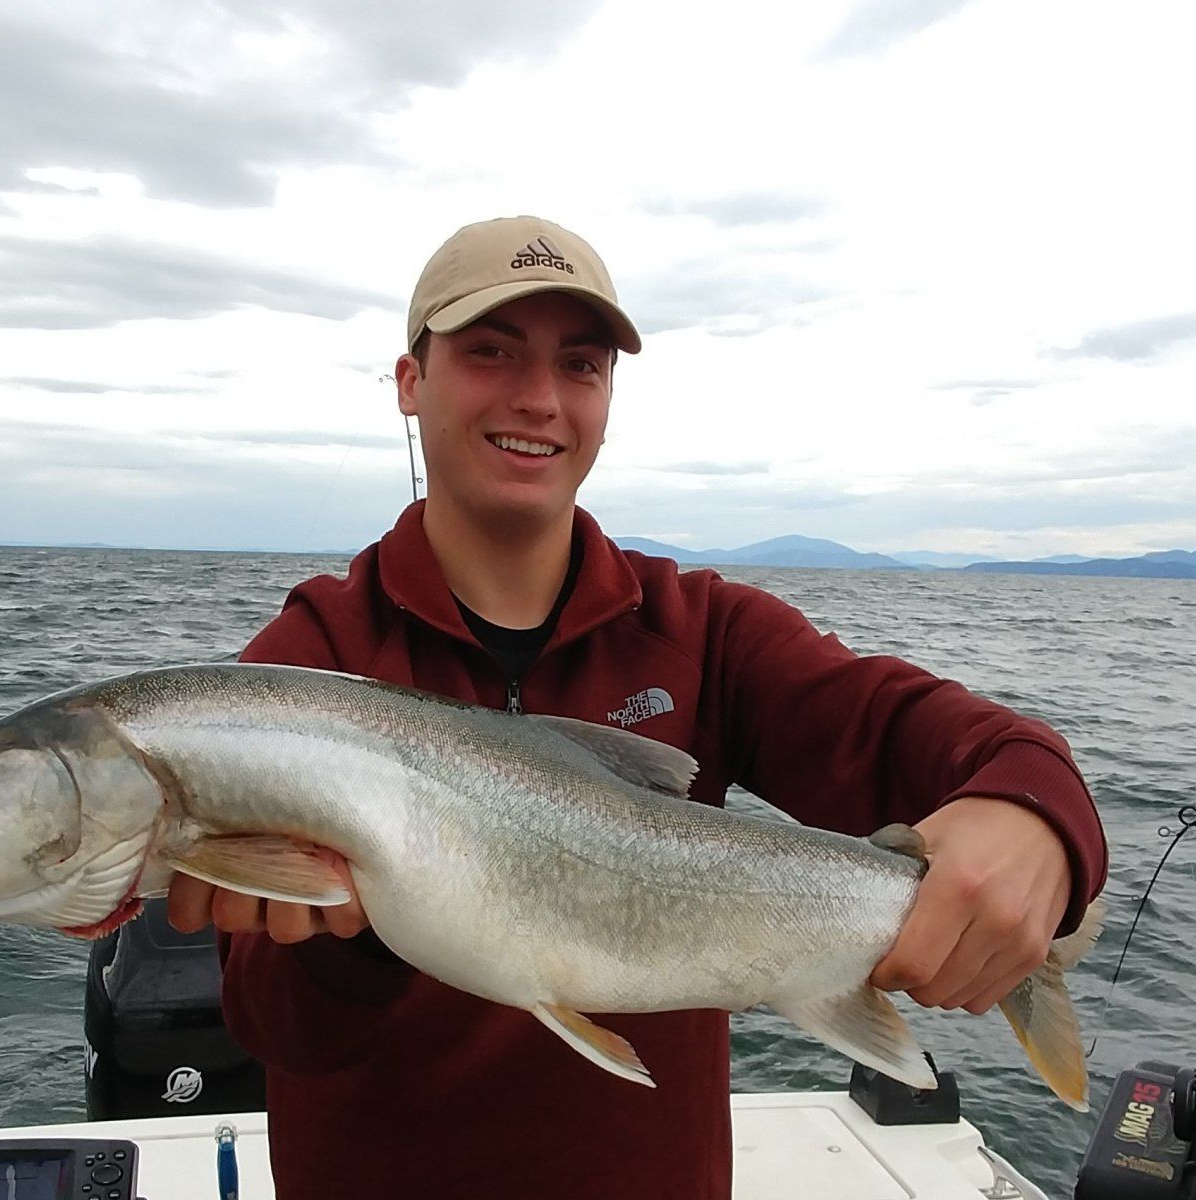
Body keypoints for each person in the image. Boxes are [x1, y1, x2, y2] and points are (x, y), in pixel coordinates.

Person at [168, 215, 1108, 1199]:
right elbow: (278, 1032)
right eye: (490, 352)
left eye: (579, 365)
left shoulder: (704, 630)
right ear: (410, 382)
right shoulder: (311, 663)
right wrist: (344, 932)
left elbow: (975, 747)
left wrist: (1038, 818)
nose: (537, 398)